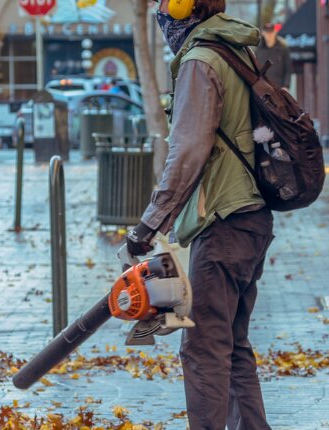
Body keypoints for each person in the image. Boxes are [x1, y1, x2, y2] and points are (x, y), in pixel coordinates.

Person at [125, 1, 273, 429]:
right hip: (252, 219)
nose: (161, 13)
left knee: (205, 349)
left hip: (224, 223)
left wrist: (148, 225)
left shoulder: (200, 60)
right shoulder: (234, 49)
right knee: (232, 345)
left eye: (165, 5)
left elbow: (188, 151)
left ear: (182, 8)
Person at [254, 22, 292, 89]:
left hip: (279, 88)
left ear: (275, 32)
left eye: (271, 32)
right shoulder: (258, 50)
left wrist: (286, 86)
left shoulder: (283, 48)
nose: (269, 35)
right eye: (267, 32)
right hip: (262, 88)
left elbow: (288, 69)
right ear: (263, 33)